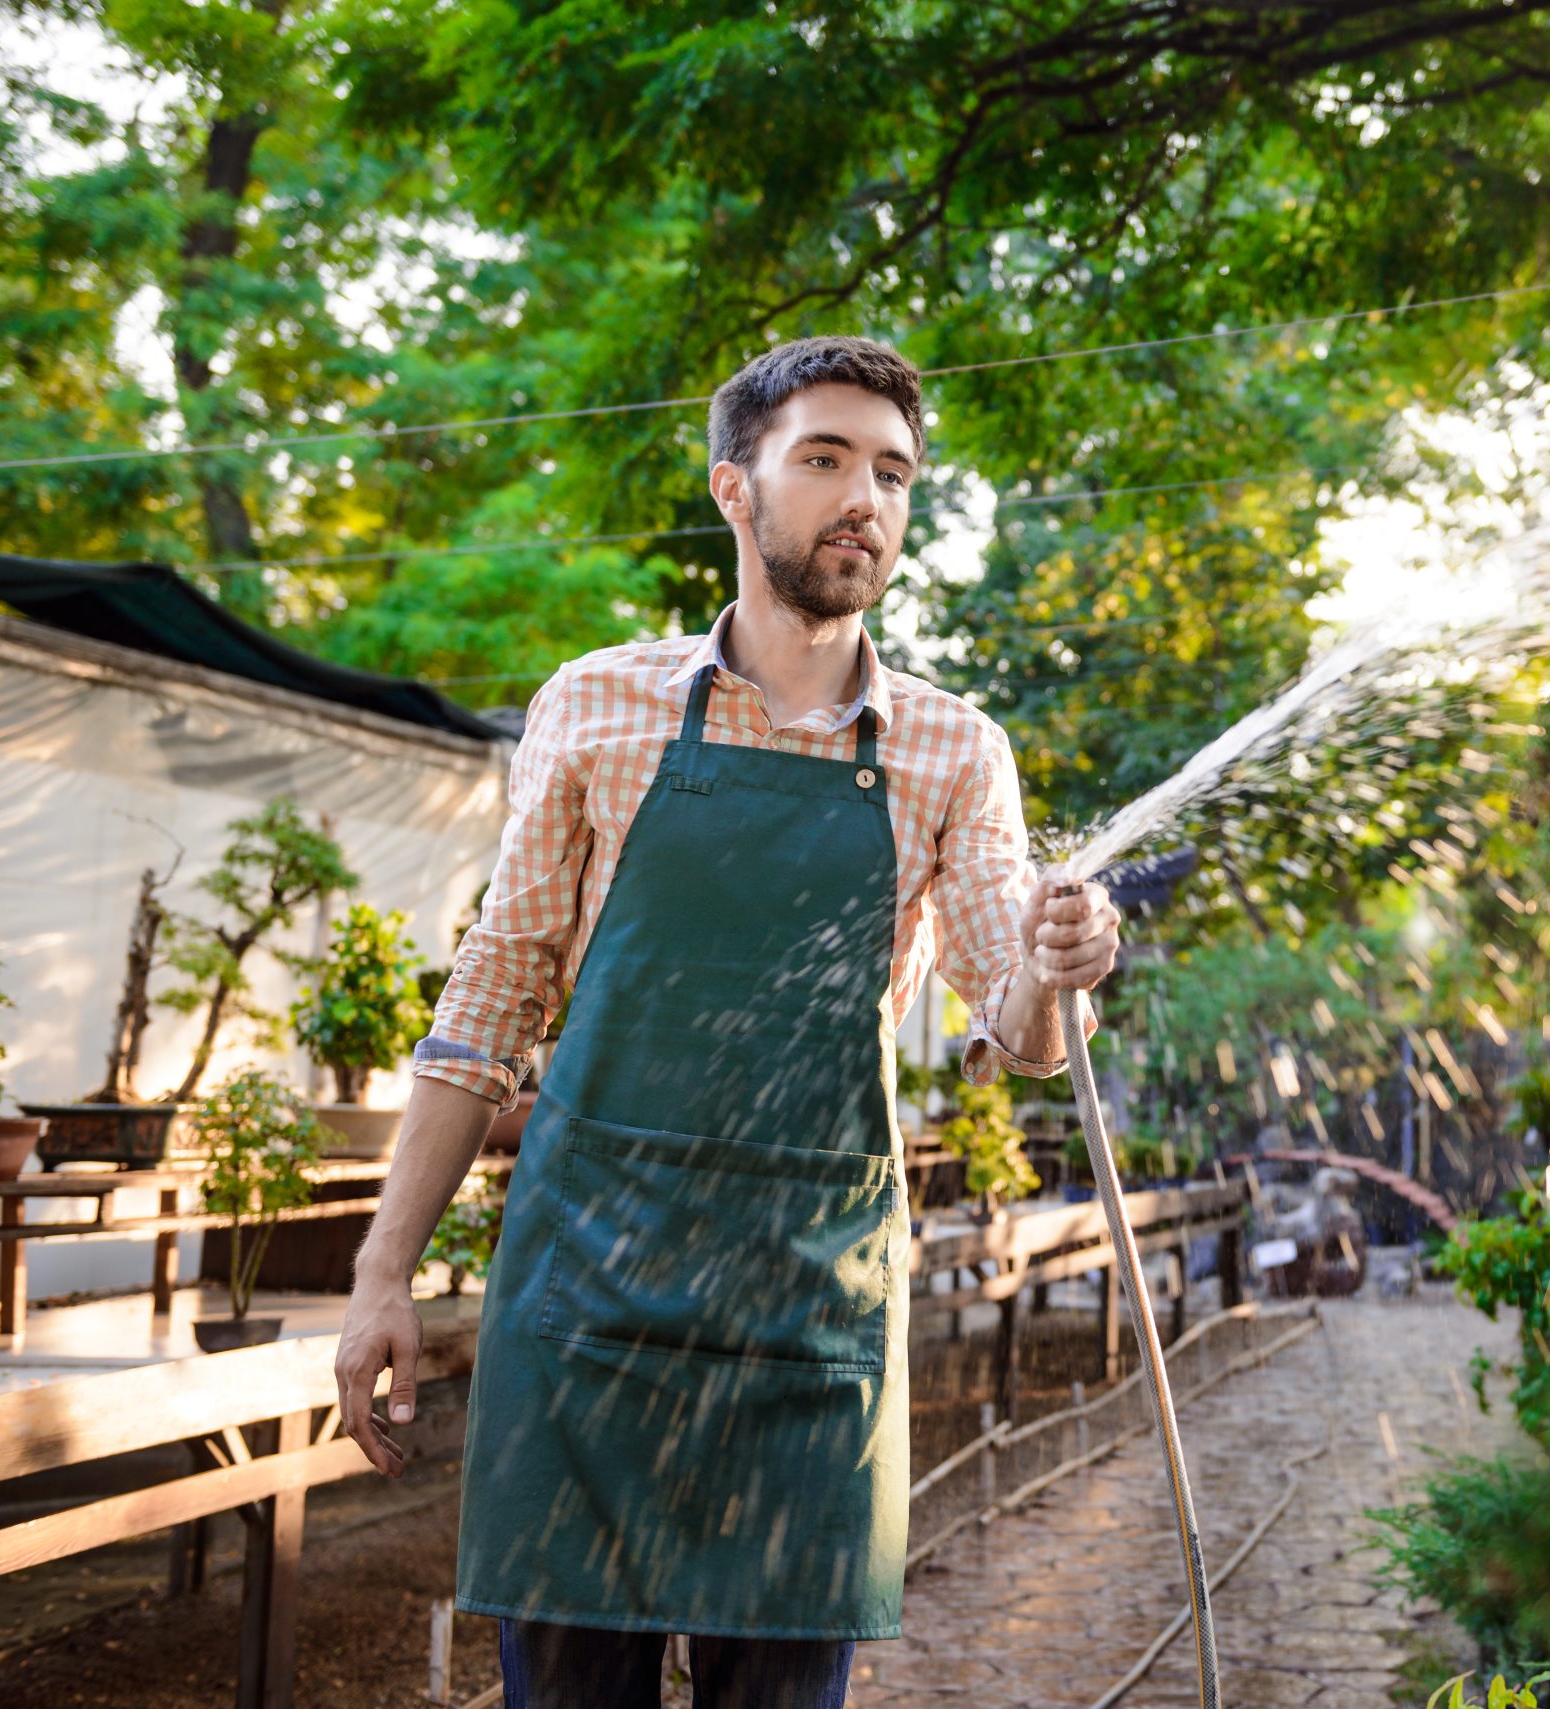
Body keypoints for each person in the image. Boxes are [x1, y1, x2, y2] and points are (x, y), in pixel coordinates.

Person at [333, 335, 1122, 1709]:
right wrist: (381, 1271)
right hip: (590, 1305)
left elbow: (1020, 1027)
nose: (862, 498)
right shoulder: (595, 704)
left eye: (892, 470)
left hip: (808, 1319)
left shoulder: (953, 748)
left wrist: (1071, 960)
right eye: (822, 459)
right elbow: (492, 1002)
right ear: (733, 488)